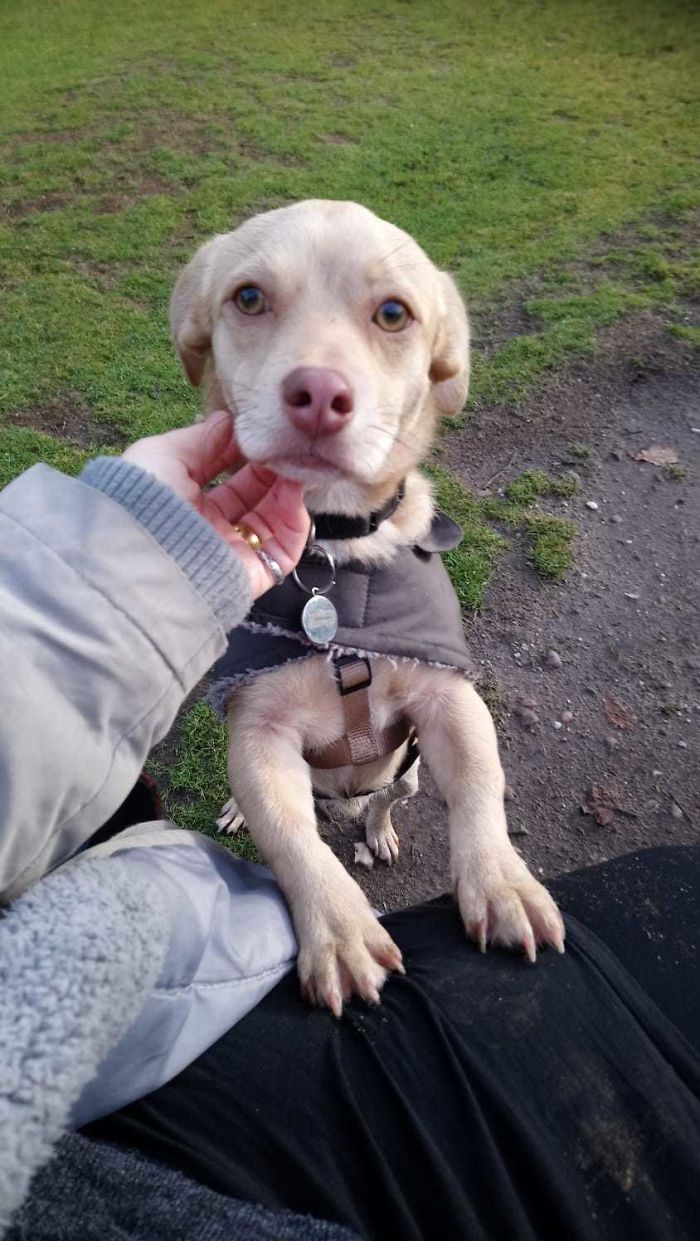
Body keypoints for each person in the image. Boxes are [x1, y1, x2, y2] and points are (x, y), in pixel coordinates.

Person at [0, 414, 697, 1241]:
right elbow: (262, 733)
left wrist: (485, 840)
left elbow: (447, 703)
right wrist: (308, 872)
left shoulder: (410, 580)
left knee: (393, 789)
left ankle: (374, 820)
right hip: (210, 963)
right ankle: (296, 829)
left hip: (378, 776)